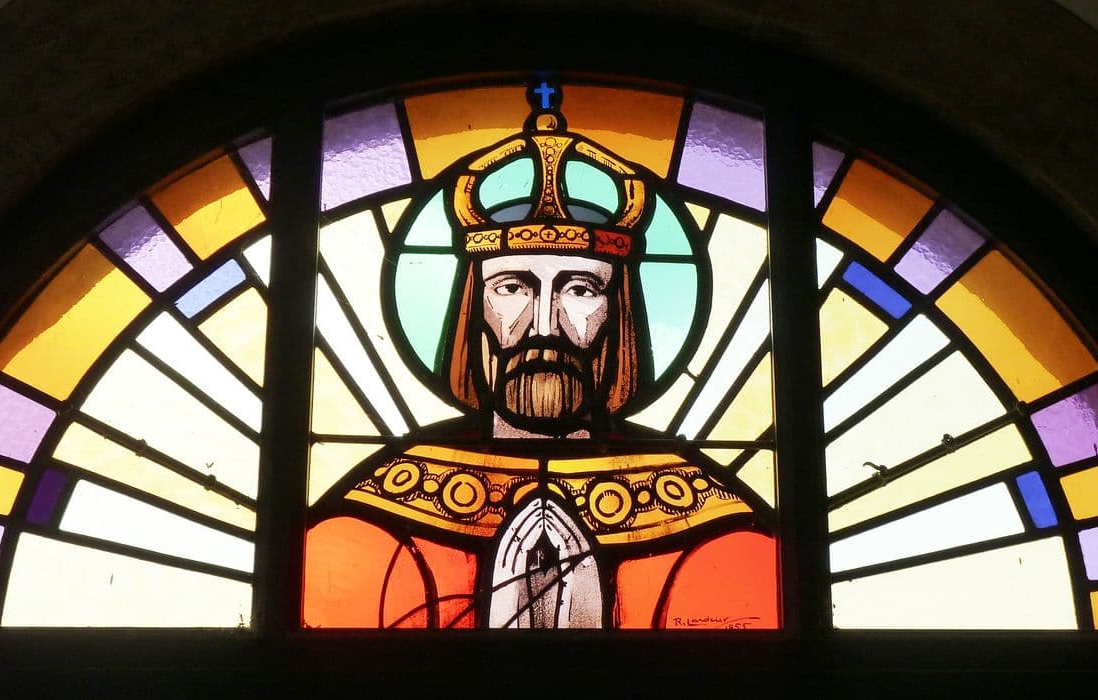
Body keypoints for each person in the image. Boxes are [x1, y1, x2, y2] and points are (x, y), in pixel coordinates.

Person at [303, 87, 777, 629]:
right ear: (471, 310)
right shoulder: (368, 529)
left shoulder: (718, 536)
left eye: (579, 289)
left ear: (618, 318)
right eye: (513, 287)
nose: (545, 325)